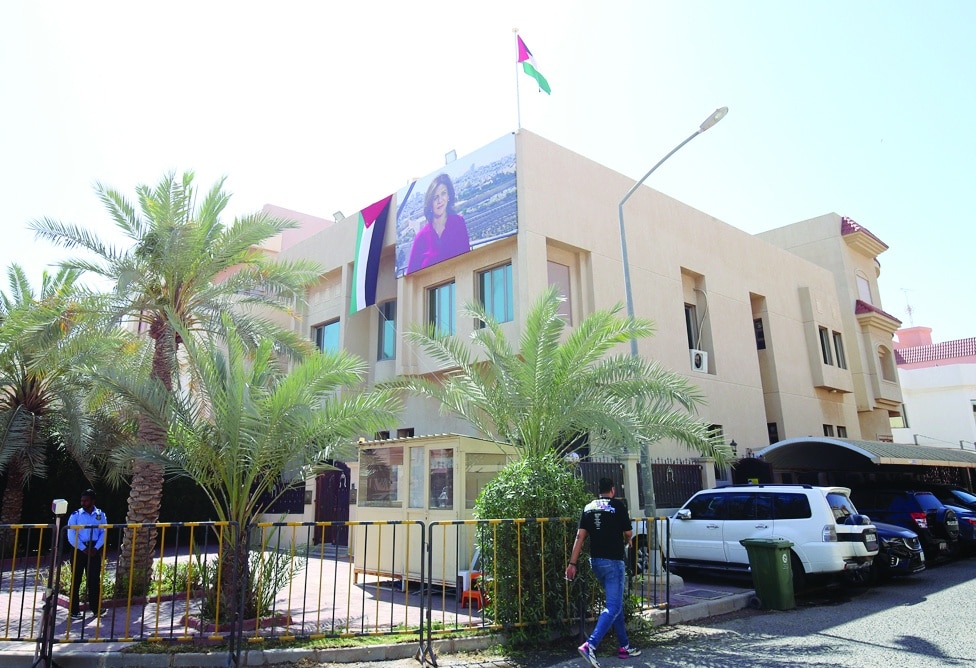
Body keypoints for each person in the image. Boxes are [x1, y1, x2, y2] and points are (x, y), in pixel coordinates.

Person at [565, 478, 641, 667]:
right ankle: (590, 645)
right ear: (613, 490)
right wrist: (628, 539)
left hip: (596, 562)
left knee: (616, 605)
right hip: (614, 562)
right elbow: (628, 532)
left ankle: (624, 645)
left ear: (599, 491)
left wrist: (572, 563)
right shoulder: (618, 505)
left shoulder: (588, 507)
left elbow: (579, 537)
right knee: (614, 606)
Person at [405, 173, 471, 274]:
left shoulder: (459, 223)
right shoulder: (421, 237)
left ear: (449, 196)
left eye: (443, 193)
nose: (440, 200)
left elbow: (467, 260)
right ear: (430, 203)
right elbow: (410, 277)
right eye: (435, 197)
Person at [66, 488, 107, 620]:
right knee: (76, 579)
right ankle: (74, 611)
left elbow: (104, 532)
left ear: (92, 501)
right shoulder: (76, 515)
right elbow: (71, 535)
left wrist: (96, 548)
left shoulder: (100, 515)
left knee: (94, 580)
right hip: (79, 549)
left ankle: (96, 609)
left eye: (86, 500)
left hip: (94, 549)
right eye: (82, 500)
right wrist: (83, 548)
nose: (83, 503)